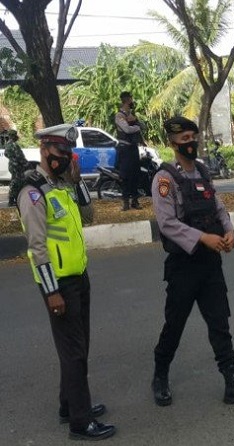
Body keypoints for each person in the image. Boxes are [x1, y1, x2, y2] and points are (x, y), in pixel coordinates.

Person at [150, 116, 234, 408]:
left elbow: (218, 207)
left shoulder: (202, 171)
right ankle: (160, 374)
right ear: (172, 143)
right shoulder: (165, 179)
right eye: (184, 140)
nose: (190, 143)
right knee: (174, 325)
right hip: (183, 267)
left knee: (219, 323)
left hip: (210, 265)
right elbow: (167, 223)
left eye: (193, 138)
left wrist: (229, 231)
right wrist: (202, 238)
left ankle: (232, 382)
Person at [16, 123, 115, 441]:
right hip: (59, 285)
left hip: (78, 277)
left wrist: (78, 181)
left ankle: (69, 405)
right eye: (60, 152)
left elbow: (88, 217)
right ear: (44, 150)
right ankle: (80, 422)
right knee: (74, 353)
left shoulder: (62, 185)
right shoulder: (33, 192)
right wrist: (51, 292)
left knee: (78, 347)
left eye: (68, 153)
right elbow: (37, 248)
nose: (65, 158)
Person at [114, 91, 143, 211]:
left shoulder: (132, 114)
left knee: (135, 175)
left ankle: (135, 201)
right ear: (126, 100)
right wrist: (137, 127)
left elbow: (140, 127)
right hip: (125, 149)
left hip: (133, 148)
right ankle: (126, 203)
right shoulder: (119, 115)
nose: (132, 101)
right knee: (125, 176)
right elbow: (126, 129)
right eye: (131, 99)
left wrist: (137, 126)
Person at [5, 129, 29, 207]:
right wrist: (26, 164)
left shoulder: (7, 144)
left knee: (15, 181)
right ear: (13, 136)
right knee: (17, 182)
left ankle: (13, 200)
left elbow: (6, 154)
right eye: (15, 135)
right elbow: (20, 156)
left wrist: (12, 159)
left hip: (12, 165)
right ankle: (12, 200)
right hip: (17, 166)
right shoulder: (14, 145)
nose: (17, 137)